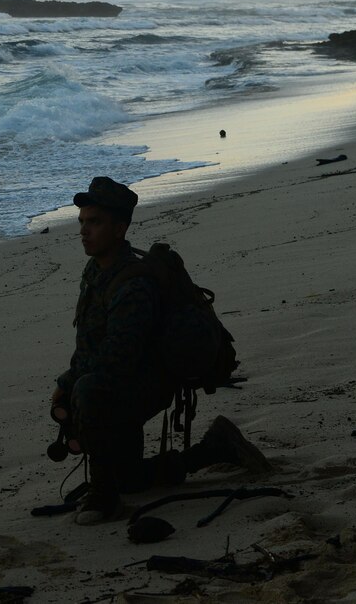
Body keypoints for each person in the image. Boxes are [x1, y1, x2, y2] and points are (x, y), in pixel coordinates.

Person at [53, 177, 270, 525]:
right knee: (132, 479)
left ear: (120, 228)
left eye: (94, 222)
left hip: (143, 385)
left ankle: (104, 497)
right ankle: (215, 448)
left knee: (88, 390)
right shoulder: (96, 271)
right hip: (120, 384)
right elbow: (88, 343)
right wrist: (64, 385)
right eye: (82, 222)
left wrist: (73, 386)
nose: (84, 231)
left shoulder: (134, 284)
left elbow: (116, 360)